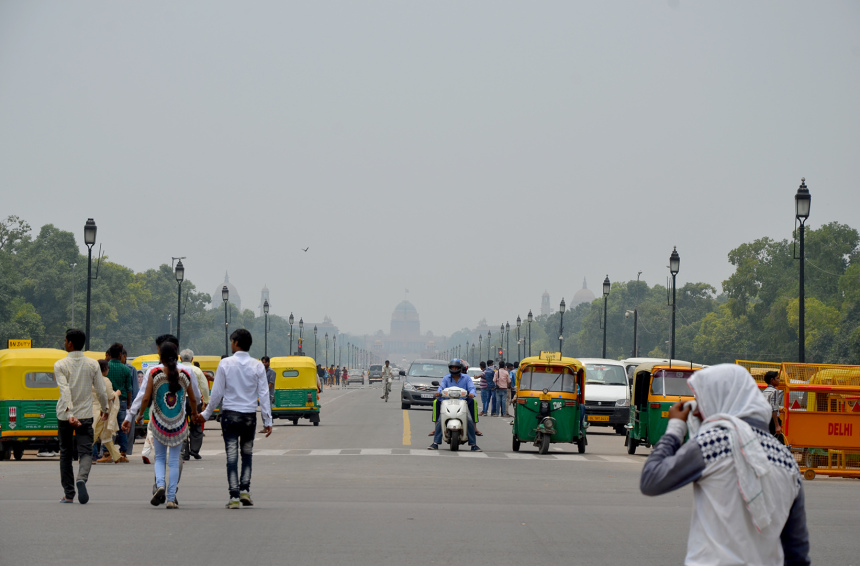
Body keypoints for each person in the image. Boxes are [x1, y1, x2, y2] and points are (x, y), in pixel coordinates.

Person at [640, 364, 809, 565]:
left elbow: (651, 479)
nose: (695, 413)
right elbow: (796, 549)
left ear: (720, 401)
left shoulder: (712, 444)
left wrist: (675, 428)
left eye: (701, 402)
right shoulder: (786, 459)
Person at [199, 329, 273, 509]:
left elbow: (216, 394)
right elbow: (263, 394)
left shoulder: (225, 364)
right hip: (248, 415)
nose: (231, 343)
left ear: (236, 343)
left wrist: (205, 415)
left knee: (231, 456)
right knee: (247, 454)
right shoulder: (257, 366)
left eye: (232, 341)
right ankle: (245, 490)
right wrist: (267, 420)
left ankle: (233, 496)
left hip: (230, 414)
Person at [124, 342, 199, 509]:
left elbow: (145, 398)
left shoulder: (154, 373)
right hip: (179, 424)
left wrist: (139, 416)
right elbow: (193, 399)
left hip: (159, 423)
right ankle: (171, 498)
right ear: (177, 356)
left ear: (161, 357)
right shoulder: (185, 374)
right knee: (173, 460)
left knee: (159, 458)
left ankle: (160, 486)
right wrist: (194, 414)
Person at [55, 328, 108, 504]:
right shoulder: (93, 364)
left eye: (65, 340)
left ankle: (69, 494)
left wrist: (70, 413)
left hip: (64, 416)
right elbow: (101, 390)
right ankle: (81, 478)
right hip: (85, 415)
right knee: (85, 451)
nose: (64, 343)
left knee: (65, 453)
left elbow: (65, 390)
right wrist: (105, 408)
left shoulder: (60, 365)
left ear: (70, 343)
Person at [428, 359, 481, 452]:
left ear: (460, 368)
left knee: (468, 420)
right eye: (453, 367)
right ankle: (435, 443)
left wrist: (472, 393)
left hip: (462, 402)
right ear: (450, 368)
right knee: (441, 420)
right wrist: (438, 393)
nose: (454, 369)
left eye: (456, 367)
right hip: (448, 402)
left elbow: (472, 388)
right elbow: (441, 387)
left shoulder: (466, 378)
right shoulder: (446, 378)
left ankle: (473, 444)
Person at [96, 343, 132, 462]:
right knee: (122, 428)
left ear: (109, 354)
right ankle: (123, 453)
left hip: (106, 403)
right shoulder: (126, 369)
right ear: (121, 354)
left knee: (107, 427)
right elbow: (129, 389)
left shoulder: (107, 367)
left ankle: (107, 454)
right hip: (121, 402)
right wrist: (128, 404)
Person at [180, 349, 210, 460]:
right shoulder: (197, 370)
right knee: (196, 425)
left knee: (181, 426)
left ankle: (184, 452)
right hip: (195, 401)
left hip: (180, 401)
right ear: (192, 359)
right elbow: (204, 387)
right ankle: (195, 449)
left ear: (180, 359)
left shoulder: (177, 369)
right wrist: (206, 401)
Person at [93, 359, 124, 463]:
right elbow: (110, 396)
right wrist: (118, 393)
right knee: (95, 434)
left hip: (92, 409)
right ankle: (83, 456)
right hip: (102, 411)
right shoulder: (105, 381)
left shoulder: (91, 379)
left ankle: (116, 456)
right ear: (105, 369)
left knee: (105, 435)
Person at [762, 371, 783, 436]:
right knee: (778, 442)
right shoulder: (774, 391)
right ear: (772, 380)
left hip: (765, 419)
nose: (779, 380)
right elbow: (774, 409)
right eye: (777, 378)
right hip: (772, 421)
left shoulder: (765, 391)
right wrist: (777, 426)